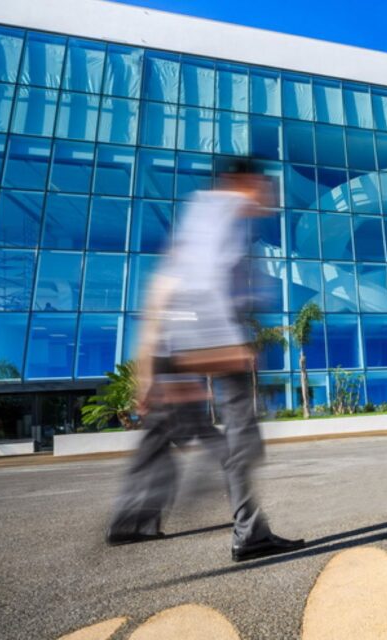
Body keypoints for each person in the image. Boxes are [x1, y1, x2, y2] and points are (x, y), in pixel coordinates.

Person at [107, 159, 305, 563]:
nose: (269, 195)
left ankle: (133, 522)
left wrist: (150, 368)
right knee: (240, 441)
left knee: (164, 437)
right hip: (208, 339)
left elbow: (161, 289)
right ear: (243, 182)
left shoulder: (200, 213)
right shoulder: (224, 212)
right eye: (265, 186)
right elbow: (204, 282)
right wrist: (222, 349)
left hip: (174, 344)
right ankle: (249, 534)